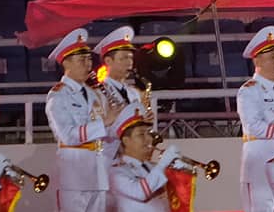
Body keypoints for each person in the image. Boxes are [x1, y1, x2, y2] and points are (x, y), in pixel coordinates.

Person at [45, 28, 120, 212]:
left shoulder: (95, 93)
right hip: (74, 175)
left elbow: (106, 132)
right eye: (81, 60)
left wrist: (123, 123)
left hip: (98, 173)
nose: (88, 65)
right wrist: (105, 123)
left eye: (88, 59)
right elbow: (68, 135)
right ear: (66, 64)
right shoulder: (58, 95)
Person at [236, 26, 274, 212]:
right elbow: (254, 126)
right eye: (272, 57)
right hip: (260, 160)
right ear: (257, 60)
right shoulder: (249, 90)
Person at [95, 26, 151, 167]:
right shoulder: (97, 92)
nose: (129, 62)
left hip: (130, 159)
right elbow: (94, 130)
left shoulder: (133, 93)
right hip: (106, 158)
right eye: (124, 58)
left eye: (131, 58)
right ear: (108, 61)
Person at [109, 111, 183, 212]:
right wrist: (163, 164)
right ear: (126, 141)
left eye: (149, 133)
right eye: (141, 134)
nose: (149, 139)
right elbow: (140, 193)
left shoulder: (152, 167)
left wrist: (178, 173)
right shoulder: (116, 171)